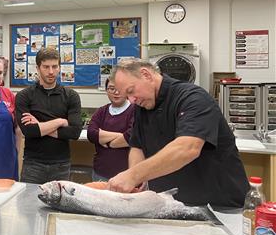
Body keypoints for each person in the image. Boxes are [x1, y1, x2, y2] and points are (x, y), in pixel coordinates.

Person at [108, 58, 249, 207]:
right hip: (172, 205)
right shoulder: (141, 107)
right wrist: (136, 182)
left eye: (131, 91)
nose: (131, 100)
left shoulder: (193, 98)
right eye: (127, 96)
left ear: (146, 75)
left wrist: (133, 176)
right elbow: (138, 146)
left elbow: (187, 149)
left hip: (219, 206)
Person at [15, 48, 83, 184]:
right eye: (46, 67)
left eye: (54, 66)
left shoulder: (71, 96)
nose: (51, 72)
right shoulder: (24, 96)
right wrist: (60, 121)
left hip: (61, 164)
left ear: (59, 67)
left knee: (59, 199)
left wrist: (39, 125)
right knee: (29, 198)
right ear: (37, 68)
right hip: (33, 164)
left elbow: (74, 132)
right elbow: (29, 131)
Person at [87, 78, 135, 181]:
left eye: (120, 88)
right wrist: (121, 136)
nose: (116, 92)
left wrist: (107, 142)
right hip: (100, 172)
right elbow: (91, 134)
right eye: (112, 88)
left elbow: (132, 137)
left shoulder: (135, 111)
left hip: (126, 175)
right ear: (106, 90)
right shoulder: (101, 111)